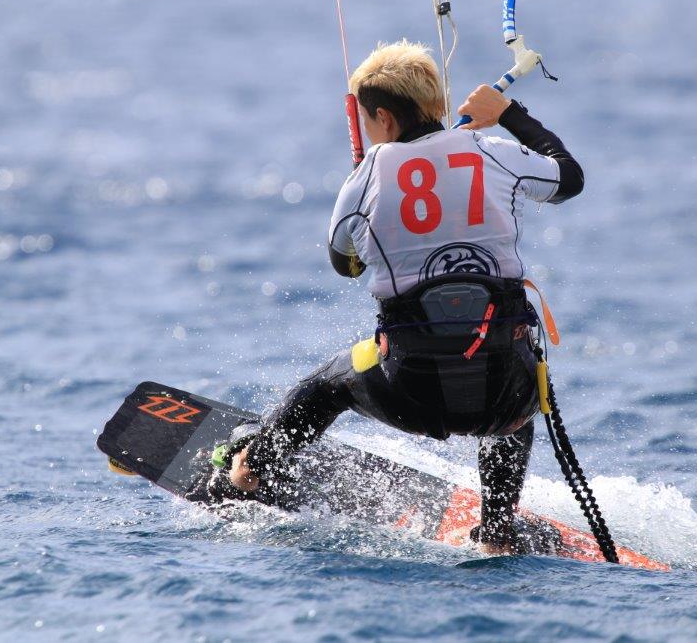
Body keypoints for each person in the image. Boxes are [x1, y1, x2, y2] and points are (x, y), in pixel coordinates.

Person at [229, 40, 584, 554]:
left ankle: (251, 468)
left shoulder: (366, 176)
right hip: (502, 396)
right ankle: (497, 532)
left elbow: (345, 264)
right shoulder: (492, 152)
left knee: (328, 384)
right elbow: (569, 179)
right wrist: (508, 113)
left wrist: (370, 196)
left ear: (382, 118)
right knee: (512, 379)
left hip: (411, 391)